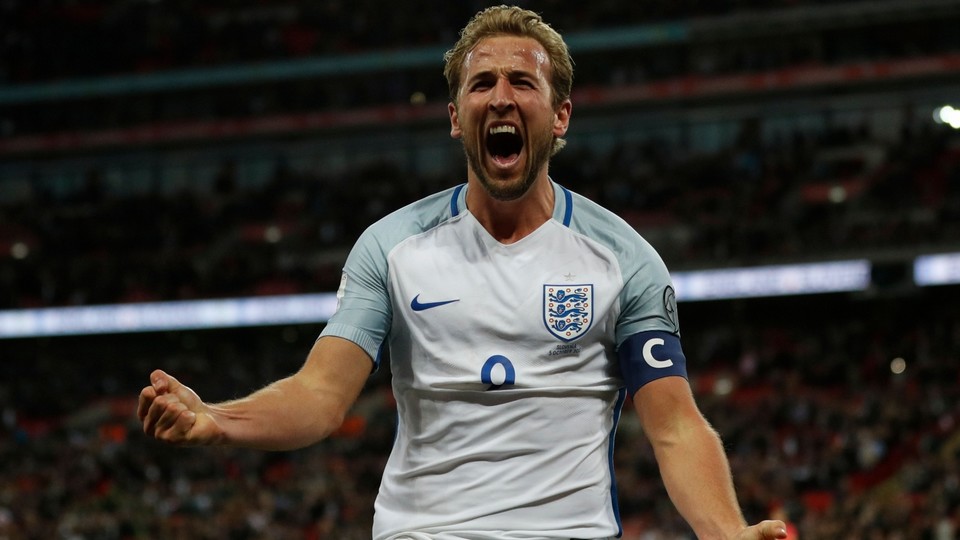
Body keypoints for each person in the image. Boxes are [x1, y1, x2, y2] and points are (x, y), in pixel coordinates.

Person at [138, 6, 788, 540]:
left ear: (560, 116)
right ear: (455, 118)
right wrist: (218, 420)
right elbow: (319, 397)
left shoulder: (624, 259)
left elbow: (674, 425)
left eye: (522, 82)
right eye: (481, 84)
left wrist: (727, 533)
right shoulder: (391, 248)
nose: (500, 97)